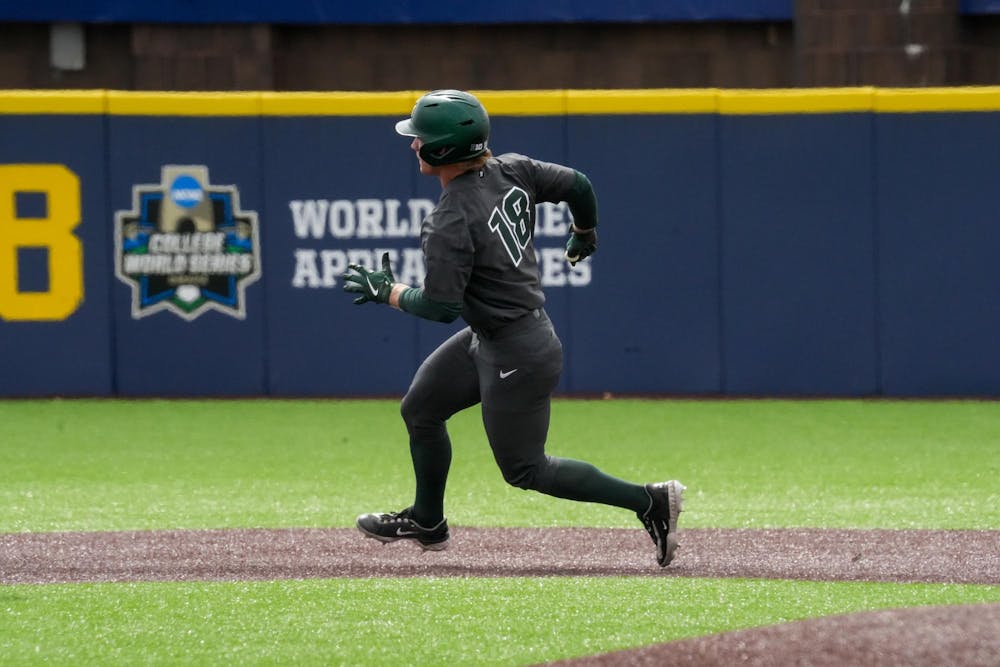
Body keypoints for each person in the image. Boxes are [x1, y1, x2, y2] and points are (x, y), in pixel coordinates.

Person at [342, 89, 685, 567]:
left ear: (443, 150)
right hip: (499, 335)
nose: (413, 145)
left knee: (526, 469)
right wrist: (585, 232)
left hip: (516, 352)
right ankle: (427, 520)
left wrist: (388, 292)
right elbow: (579, 186)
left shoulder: (448, 219)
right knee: (420, 409)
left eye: (420, 139)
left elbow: (441, 306)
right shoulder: (513, 169)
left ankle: (649, 501)